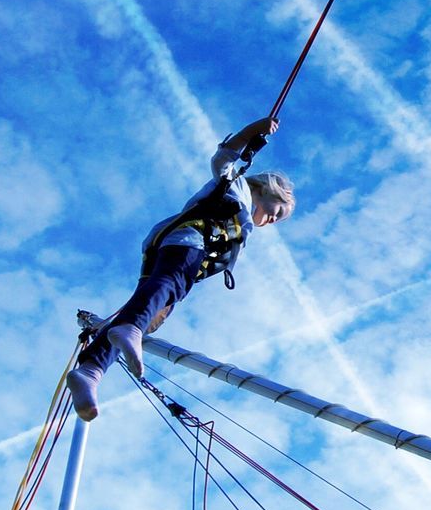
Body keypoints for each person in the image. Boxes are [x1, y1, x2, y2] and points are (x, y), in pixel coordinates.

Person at [67, 117, 294, 422]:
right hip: (188, 241)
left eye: (276, 221)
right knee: (164, 290)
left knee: (151, 314)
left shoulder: (245, 220)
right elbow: (223, 156)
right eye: (275, 211)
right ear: (265, 190)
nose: (270, 220)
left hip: (181, 255)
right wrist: (254, 132)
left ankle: (91, 371)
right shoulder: (237, 184)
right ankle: (128, 329)